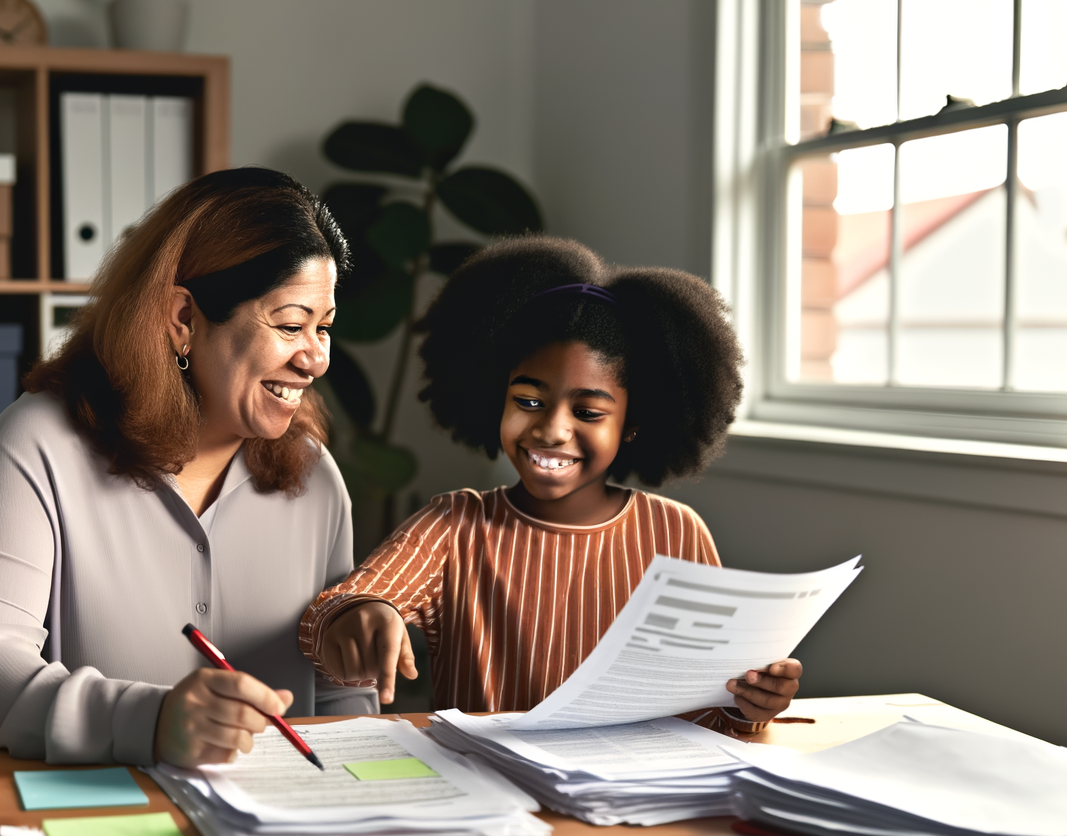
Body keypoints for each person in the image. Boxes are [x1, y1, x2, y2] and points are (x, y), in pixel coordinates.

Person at [0, 168, 374, 769]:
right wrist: (150, 721)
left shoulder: (317, 479)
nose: (316, 359)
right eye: (292, 326)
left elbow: (346, 698)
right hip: (95, 817)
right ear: (184, 318)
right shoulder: (38, 443)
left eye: (324, 329)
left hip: (279, 834)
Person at [298, 236, 802, 730]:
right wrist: (360, 613)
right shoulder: (454, 526)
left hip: (633, 792)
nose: (552, 430)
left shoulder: (676, 533)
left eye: (587, 411)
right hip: (492, 793)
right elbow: (333, 612)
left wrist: (749, 704)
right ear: (495, 395)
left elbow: (709, 707)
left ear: (632, 425)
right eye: (529, 401)